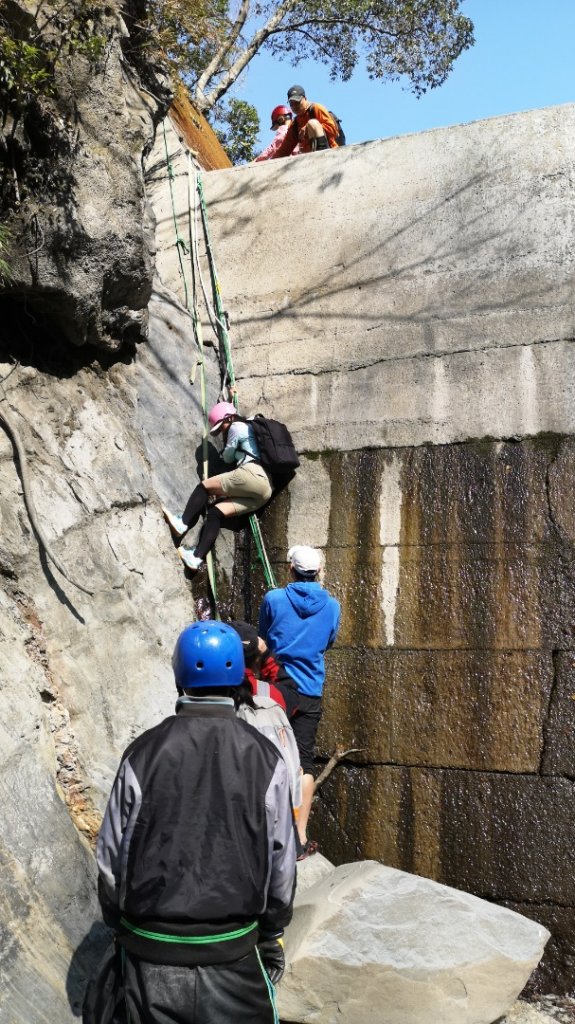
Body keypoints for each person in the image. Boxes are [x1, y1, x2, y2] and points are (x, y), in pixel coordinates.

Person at [89, 620, 297, 1024]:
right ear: (239, 672)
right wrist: (271, 932)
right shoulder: (264, 758)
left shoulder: (142, 754)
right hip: (233, 954)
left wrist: (118, 922)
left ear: (178, 674)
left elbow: (111, 860)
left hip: (149, 958)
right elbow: (282, 865)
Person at [258, 545, 340, 858]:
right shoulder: (332, 606)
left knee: (269, 752)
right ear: (319, 572)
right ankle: (300, 835)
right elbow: (329, 641)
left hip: (277, 686)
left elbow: (263, 637)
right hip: (309, 690)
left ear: (290, 568)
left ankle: (267, 828)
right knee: (304, 760)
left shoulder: (274, 599)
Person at [162, 397, 273, 572]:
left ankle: (182, 523)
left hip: (252, 474)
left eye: (221, 427)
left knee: (204, 486)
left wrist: (227, 446)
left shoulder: (236, 427)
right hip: (264, 491)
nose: (221, 431)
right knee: (215, 513)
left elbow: (228, 457)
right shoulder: (248, 427)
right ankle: (195, 558)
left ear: (229, 418)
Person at [230, 619, 303, 826]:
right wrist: (267, 657)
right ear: (256, 658)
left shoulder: (213, 692)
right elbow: (291, 693)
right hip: (267, 811)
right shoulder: (270, 695)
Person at [271, 85, 339, 158]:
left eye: (297, 102)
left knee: (312, 123)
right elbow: (285, 149)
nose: (295, 106)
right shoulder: (295, 124)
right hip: (311, 157)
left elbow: (334, 131)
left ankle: (322, 156)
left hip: (330, 153)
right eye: (291, 104)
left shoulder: (316, 108)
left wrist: (307, 128)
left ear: (305, 98)